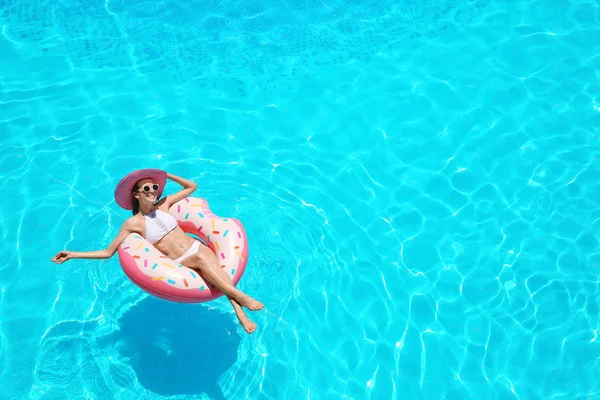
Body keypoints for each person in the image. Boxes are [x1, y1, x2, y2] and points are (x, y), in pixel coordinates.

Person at [51, 169, 263, 334]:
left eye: (154, 187)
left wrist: (165, 175)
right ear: (136, 195)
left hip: (197, 247)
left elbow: (192, 186)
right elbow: (108, 253)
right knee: (205, 262)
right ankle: (241, 298)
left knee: (217, 272)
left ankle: (239, 312)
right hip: (183, 259)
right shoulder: (133, 223)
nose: (152, 191)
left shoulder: (164, 204)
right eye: (146, 189)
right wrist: (72, 254)